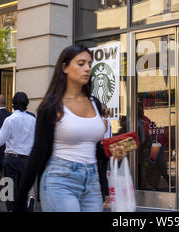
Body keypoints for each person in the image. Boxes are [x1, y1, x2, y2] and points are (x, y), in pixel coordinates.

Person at [14, 45, 126, 212]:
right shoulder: (51, 106)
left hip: (92, 181)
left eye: (89, 64)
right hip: (60, 180)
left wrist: (113, 151)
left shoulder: (94, 103)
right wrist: (20, 200)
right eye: (81, 64)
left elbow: (93, 148)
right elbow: (38, 152)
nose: (87, 68)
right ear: (65, 67)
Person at [0, 92, 36, 212]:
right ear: (26, 104)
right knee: (22, 192)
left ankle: (11, 210)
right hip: (27, 161)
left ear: (13, 104)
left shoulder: (10, 120)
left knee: (8, 192)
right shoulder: (33, 120)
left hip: (11, 160)